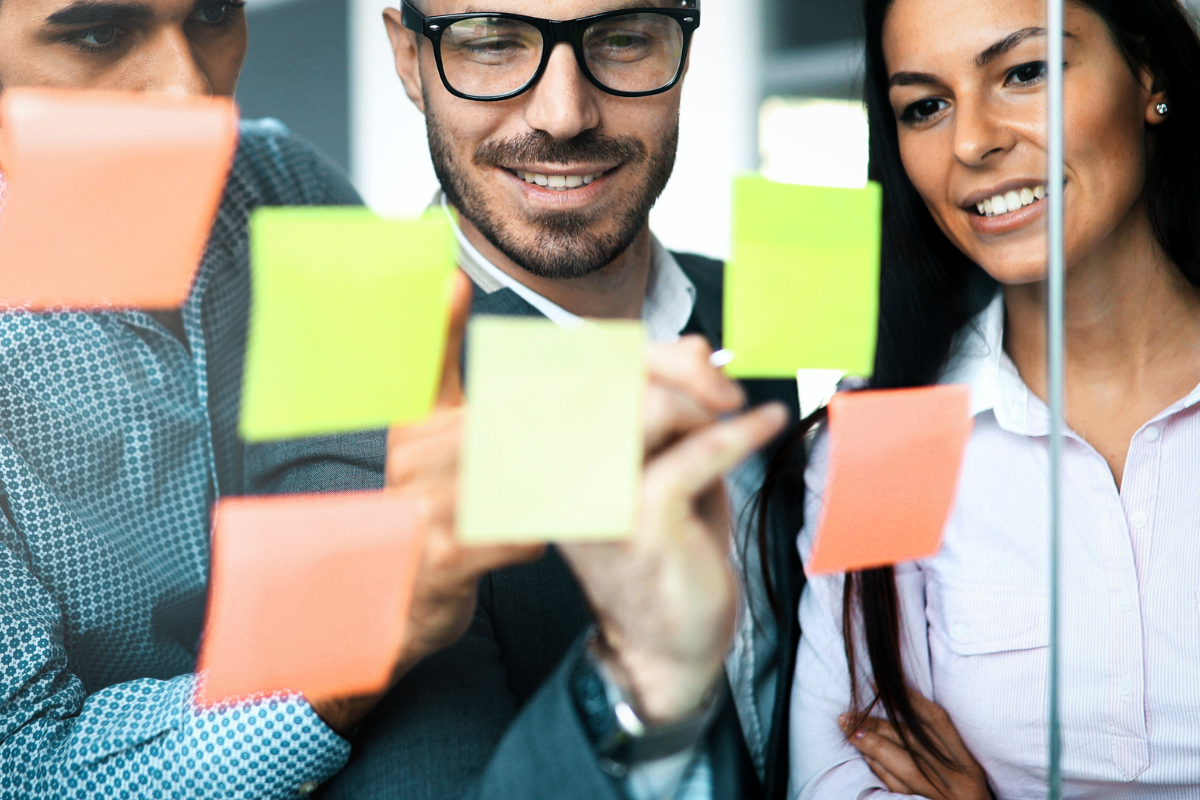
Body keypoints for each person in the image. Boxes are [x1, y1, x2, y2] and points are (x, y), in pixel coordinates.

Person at [246, 1, 806, 798]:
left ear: (683, 41)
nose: (564, 114)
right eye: (492, 43)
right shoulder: (344, 383)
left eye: (623, 38)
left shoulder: (751, 310)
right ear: (409, 58)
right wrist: (637, 691)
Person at [777, 0, 1200, 797]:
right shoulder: (889, 437)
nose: (971, 142)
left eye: (1025, 72)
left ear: (1150, 74)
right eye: (925, 106)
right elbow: (841, 773)